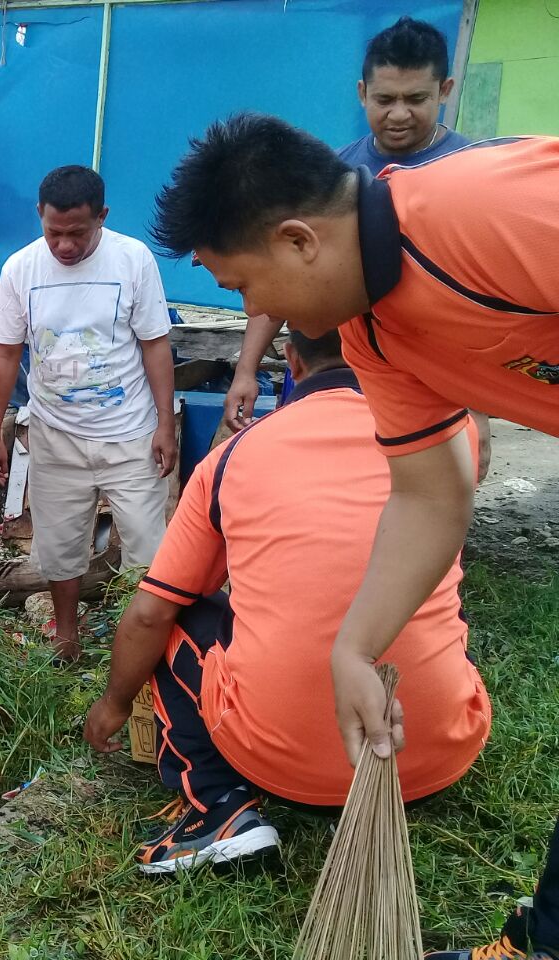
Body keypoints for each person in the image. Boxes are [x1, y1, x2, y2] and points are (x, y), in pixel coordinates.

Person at [150, 113, 558, 958]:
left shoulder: (486, 210)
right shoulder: (377, 332)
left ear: (299, 240)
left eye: (241, 286)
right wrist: (354, 648)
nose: (251, 311)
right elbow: (430, 491)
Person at [83, 330, 490, 874]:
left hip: (283, 768)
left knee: (178, 612)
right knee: (439, 602)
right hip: (434, 758)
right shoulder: (446, 435)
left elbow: (151, 613)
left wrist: (112, 705)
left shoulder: (232, 457)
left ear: (292, 361)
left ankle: (218, 806)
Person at [223, 15, 488, 477]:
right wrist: (246, 371)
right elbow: (284, 279)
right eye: (385, 99)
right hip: (337, 367)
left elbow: (487, 304)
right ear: (362, 92)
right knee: (318, 479)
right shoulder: (331, 176)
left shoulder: (473, 174)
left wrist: (479, 405)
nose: (399, 114)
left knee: (421, 485)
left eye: (417, 99)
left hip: (434, 374)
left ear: (445, 90)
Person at [0, 165, 178, 660]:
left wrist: (165, 423)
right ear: (39, 217)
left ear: (102, 218)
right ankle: (66, 637)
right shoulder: (19, 269)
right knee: (59, 546)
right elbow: (6, 355)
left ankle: (136, 649)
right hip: (55, 434)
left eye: (77, 233)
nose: (64, 246)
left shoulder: (132, 260)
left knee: (147, 550)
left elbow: (156, 345)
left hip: (131, 434)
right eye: (54, 233)